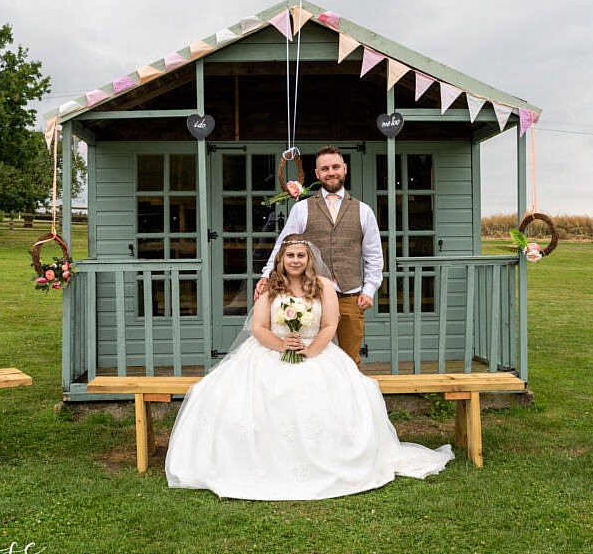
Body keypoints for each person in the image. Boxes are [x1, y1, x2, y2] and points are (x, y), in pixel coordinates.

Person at [165, 234, 453, 500]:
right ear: (281, 259)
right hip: (271, 350)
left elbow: (330, 324)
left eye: (301, 255)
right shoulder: (270, 287)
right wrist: (282, 346)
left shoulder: (324, 286)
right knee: (233, 394)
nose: (295, 261)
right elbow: (259, 327)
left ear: (309, 259)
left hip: (316, 351)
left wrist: (311, 350)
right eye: (290, 255)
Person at [255, 146, 383, 366]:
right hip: (309, 297)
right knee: (309, 362)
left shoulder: (364, 211)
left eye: (335, 167)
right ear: (317, 174)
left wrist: (369, 289)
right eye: (325, 169)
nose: (330, 172)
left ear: (344, 169)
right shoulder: (302, 208)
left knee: (349, 361)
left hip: (348, 296)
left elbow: (374, 256)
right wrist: (267, 274)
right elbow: (283, 246)